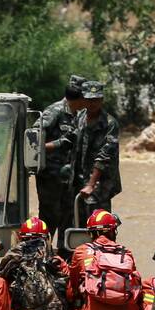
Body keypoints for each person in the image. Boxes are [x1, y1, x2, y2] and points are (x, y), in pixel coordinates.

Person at [66, 80, 121, 247]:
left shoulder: (110, 124)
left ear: (102, 100)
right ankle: (81, 261)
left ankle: (104, 260)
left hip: (99, 186)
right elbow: (71, 142)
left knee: (101, 226)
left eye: (96, 100)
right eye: (89, 100)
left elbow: (104, 156)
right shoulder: (80, 117)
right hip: (79, 180)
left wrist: (91, 184)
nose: (92, 104)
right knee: (78, 224)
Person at [36, 75, 85, 241]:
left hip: (69, 177)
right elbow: (34, 139)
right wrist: (59, 144)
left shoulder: (79, 114)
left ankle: (64, 254)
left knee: (69, 215)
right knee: (50, 216)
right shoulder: (54, 111)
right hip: (50, 176)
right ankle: (42, 251)